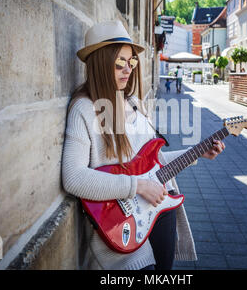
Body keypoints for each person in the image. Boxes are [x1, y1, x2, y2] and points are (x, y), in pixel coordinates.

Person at [61, 20, 225, 270]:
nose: (128, 69)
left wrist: (198, 153)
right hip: (121, 224)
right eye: (119, 63)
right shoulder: (84, 108)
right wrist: (137, 186)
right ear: (100, 63)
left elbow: (152, 167)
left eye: (131, 62)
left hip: (159, 210)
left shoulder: (135, 103)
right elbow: (73, 178)